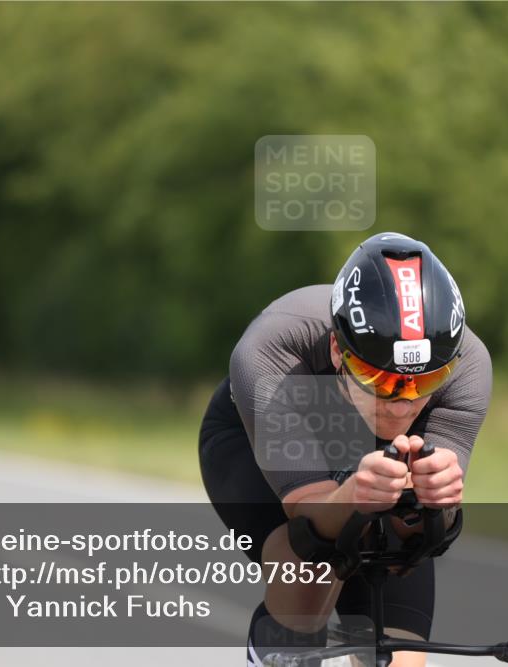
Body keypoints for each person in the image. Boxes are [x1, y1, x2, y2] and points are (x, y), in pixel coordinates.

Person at [198, 232, 492, 666]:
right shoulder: (273, 344)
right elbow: (310, 513)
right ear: (338, 349)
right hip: (256, 440)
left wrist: (438, 502)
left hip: (365, 464)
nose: (402, 405)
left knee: (402, 641)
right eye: (381, 381)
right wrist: (355, 494)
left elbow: (423, 538)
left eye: (424, 382)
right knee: (314, 556)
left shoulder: (468, 365)